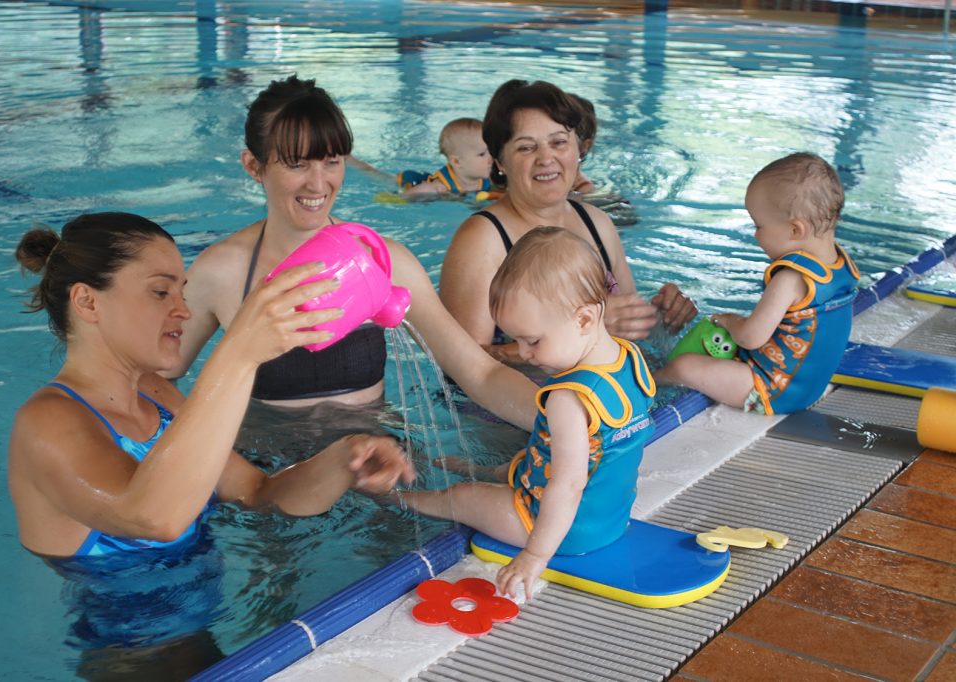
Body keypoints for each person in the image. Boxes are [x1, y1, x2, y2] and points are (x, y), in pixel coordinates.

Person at [8, 211, 416, 560]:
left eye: (181, 292)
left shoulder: (156, 393)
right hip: (120, 649)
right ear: (88, 302)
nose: (183, 310)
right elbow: (154, 518)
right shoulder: (46, 424)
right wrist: (239, 351)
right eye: (160, 291)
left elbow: (258, 494)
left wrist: (345, 459)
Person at [169, 75, 539, 431]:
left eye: (331, 161)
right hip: (266, 473)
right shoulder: (222, 272)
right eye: (297, 164)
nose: (318, 183)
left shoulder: (385, 262)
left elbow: (479, 373)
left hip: (375, 463)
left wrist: (562, 425)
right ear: (254, 166)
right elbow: (154, 379)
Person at [398, 227, 656, 599]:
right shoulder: (630, 360)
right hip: (611, 519)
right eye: (516, 340)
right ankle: (480, 470)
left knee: (464, 496)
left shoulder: (568, 399)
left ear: (583, 320)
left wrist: (534, 555)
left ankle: (402, 500)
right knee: (517, 464)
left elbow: (568, 485)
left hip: (561, 530)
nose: (524, 353)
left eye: (532, 341)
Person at [438, 79, 697, 368]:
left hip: (598, 394)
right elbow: (460, 363)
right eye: (526, 148)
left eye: (559, 142)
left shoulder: (596, 222)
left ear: (579, 149)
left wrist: (662, 318)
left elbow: (625, 330)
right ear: (500, 161)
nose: (546, 158)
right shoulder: (483, 238)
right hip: (524, 405)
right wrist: (588, 328)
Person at [655, 153, 859, 414]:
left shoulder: (790, 278)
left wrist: (729, 320)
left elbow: (752, 337)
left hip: (772, 390)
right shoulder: (841, 265)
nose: (755, 234)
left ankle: (650, 383)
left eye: (758, 225)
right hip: (810, 387)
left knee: (685, 366)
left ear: (795, 231)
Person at [397, 117, 493, 197]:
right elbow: (403, 198)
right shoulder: (439, 187)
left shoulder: (488, 179)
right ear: (457, 162)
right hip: (413, 181)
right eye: (482, 154)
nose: (491, 158)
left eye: (491, 150)